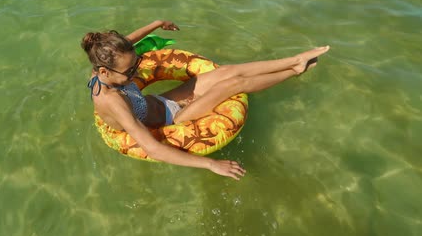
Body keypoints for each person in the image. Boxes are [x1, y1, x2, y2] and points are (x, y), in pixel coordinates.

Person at [81, 20, 329, 180]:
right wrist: (210, 165)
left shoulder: (103, 64)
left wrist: (156, 24)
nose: (136, 72)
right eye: (130, 72)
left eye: (136, 65)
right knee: (234, 85)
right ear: (104, 73)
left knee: (226, 72)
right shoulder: (113, 101)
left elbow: (128, 42)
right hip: (173, 120)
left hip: (161, 101)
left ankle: (294, 59)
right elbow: (153, 148)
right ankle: (295, 71)